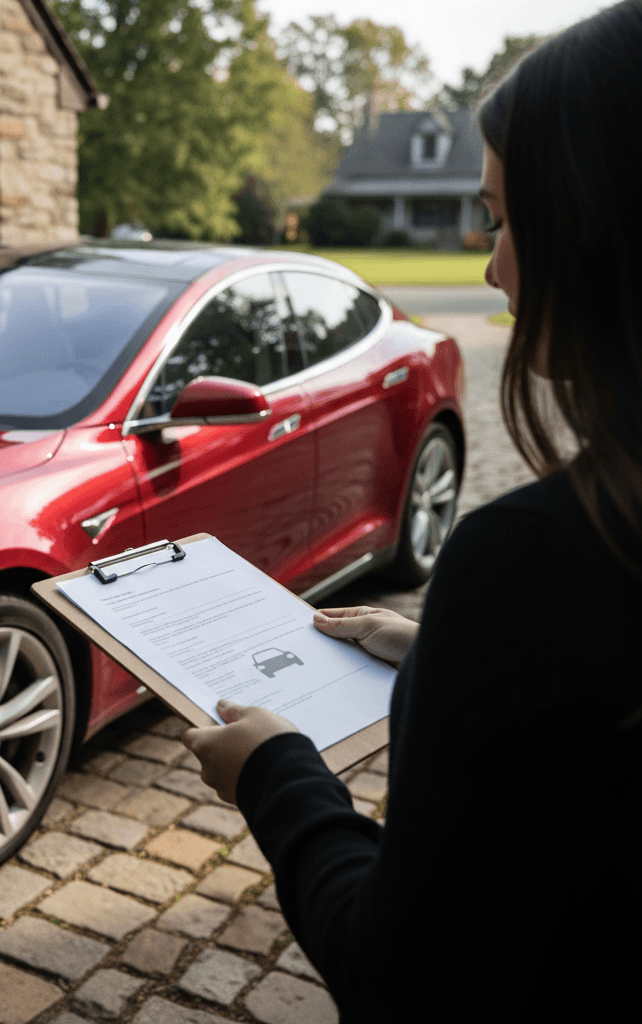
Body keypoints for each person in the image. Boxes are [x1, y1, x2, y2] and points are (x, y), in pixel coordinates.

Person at [182, 2, 642, 1020]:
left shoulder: (532, 561)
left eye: (503, 219)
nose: (489, 266)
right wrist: (443, 650)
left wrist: (275, 774)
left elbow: (405, 979)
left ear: (595, 225)